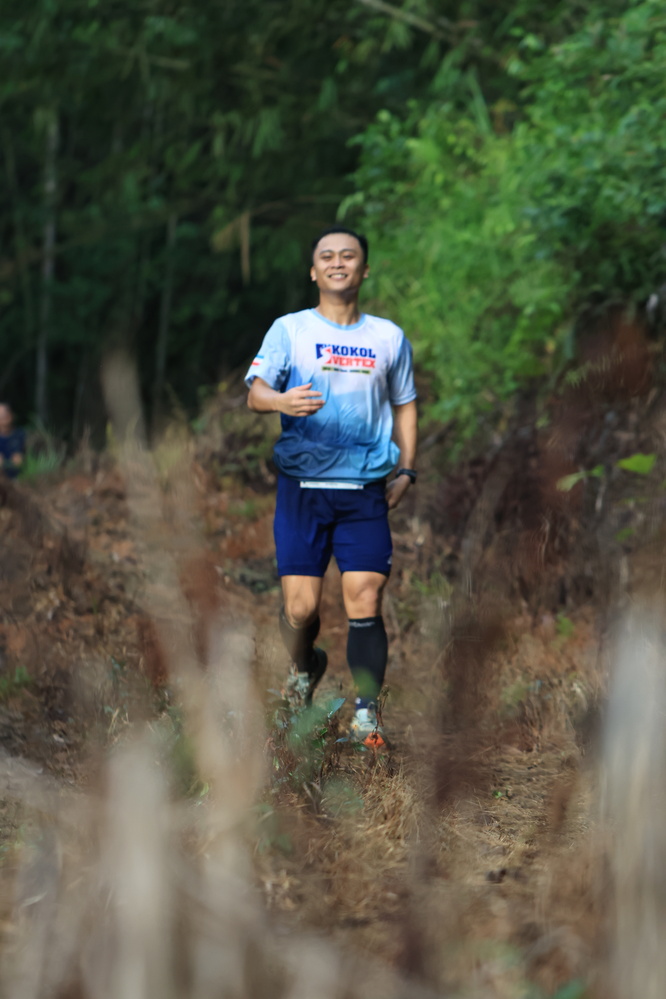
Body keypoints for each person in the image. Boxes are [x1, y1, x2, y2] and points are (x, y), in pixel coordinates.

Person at [245, 226, 417, 747]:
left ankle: (366, 717)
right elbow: (256, 392)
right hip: (303, 488)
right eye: (327, 256)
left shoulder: (388, 337)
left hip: (364, 489)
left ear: (365, 270)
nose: (338, 262)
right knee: (300, 609)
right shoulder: (290, 329)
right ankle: (304, 667)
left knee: (365, 594)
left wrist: (407, 470)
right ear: (313, 271)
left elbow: (405, 404)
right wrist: (280, 402)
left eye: (348, 255)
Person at [0, 403, 25, 479]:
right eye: (1, 414)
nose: (4, 415)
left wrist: (23, 459)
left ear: (12, 415)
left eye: (6, 412)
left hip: (21, 478)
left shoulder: (21, 435)